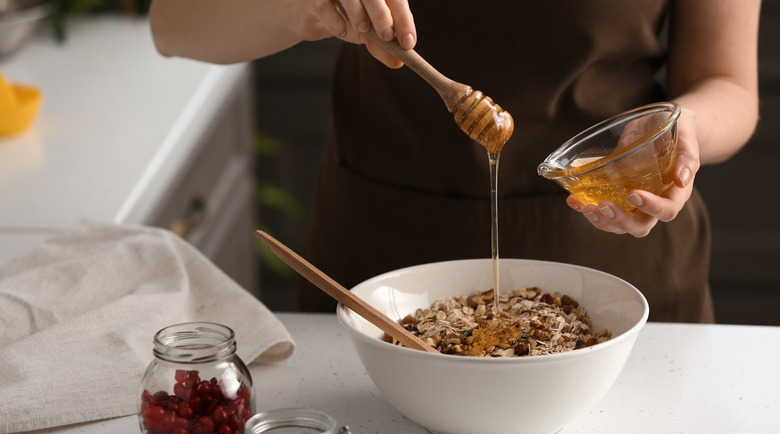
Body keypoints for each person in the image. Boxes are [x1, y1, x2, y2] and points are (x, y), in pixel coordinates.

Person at [149, 0, 760, 322]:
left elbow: (725, 81)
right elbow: (174, 23)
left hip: (622, 270)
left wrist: (677, 135)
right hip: (379, 271)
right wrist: (300, 6)